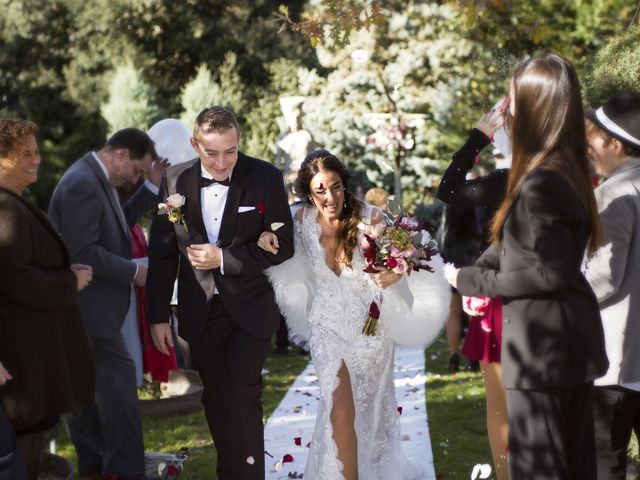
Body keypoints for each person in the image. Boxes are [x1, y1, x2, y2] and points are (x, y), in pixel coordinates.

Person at [444, 54, 609, 479]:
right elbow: (517, 248)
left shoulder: (543, 180)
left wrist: (466, 279)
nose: (507, 111)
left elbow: (547, 273)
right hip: (558, 345)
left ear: (535, 106)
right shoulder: (557, 169)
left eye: (513, 101)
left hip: (544, 351)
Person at [260, 149, 450, 480]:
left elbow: (412, 254)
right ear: (308, 194)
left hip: (370, 329)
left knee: (371, 416)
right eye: (320, 190)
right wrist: (266, 236)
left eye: (335, 186)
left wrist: (395, 272)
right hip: (327, 326)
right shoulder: (302, 222)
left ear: (344, 185)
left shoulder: (371, 218)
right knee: (340, 409)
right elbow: (282, 255)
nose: (330, 196)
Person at [146, 106, 294, 480]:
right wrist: (158, 316)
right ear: (195, 145)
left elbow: (285, 245)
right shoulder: (173, 181)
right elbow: (162, 256)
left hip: (250, 309)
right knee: (215, 399)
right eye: (212, 153)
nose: (222, 161)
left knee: (244, 395)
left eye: (230, 151)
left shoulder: (264, 177)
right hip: (199, 312)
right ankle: (232, 471)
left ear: (238, 141)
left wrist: (224, 258)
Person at [48, 128, 169, 479]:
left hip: (94, 315)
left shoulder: (95, 178)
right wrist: (135, 272)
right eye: (136, 171)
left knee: (93, 405)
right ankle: (123, 472)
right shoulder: (83, 183)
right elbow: (82, 251)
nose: (135, 178)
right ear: (120, 153)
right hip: (88, 314)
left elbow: (118, 224)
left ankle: (98, 470)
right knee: (120, 407)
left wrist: (151, 187)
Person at [0, 118, 95, 479]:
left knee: (32, 448)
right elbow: (17, 279)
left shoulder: (14, 202)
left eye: (36, 151)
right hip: (23, 358)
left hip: (33, 354)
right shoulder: (4, 209)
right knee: (22, 453)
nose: (35, 159)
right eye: (24, 154)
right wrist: (69, 282)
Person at [437, 104, 510, 479]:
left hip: (506, 301)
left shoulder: (508, 179)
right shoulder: (567, 174)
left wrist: (476, 140)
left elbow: (447, 188)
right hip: (553, 302)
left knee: (501, 410)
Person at [582, 91, 640, 479]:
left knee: (606, 465)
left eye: (593, 139)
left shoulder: (615, 192)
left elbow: (604, 277)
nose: (588, 148)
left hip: (617, 362)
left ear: (614, 144)